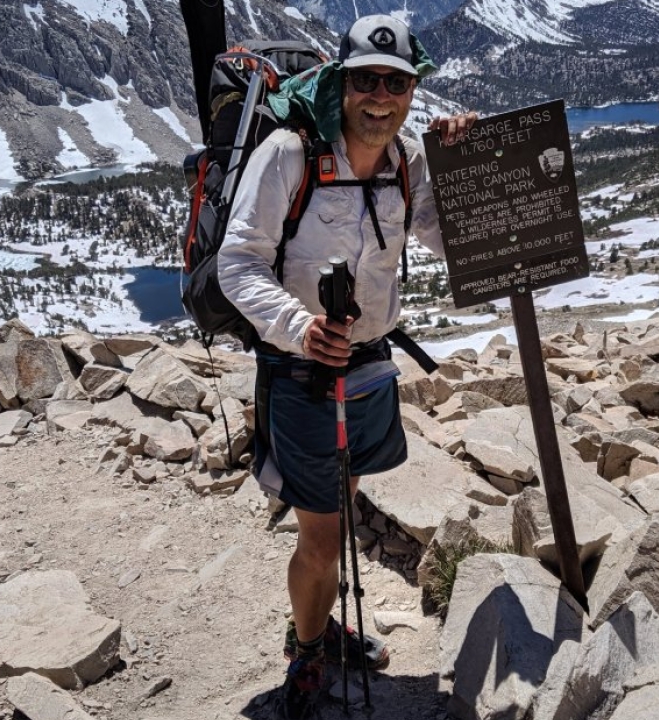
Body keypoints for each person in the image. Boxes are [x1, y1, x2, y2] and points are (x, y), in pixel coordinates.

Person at [217, 14, 476, 719]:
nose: (381, 97)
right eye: (366, 80)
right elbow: (235, 265)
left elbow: (446, 240)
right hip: (301, 370)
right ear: (342, 80)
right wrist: (300, 329)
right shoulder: (289, 153)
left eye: (396, 83)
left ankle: (318, 626)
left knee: (341, 504)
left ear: (412, 91)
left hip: (366, 366)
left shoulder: (406, 160)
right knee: (324, 532)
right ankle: (308, 654)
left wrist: (464, 165)